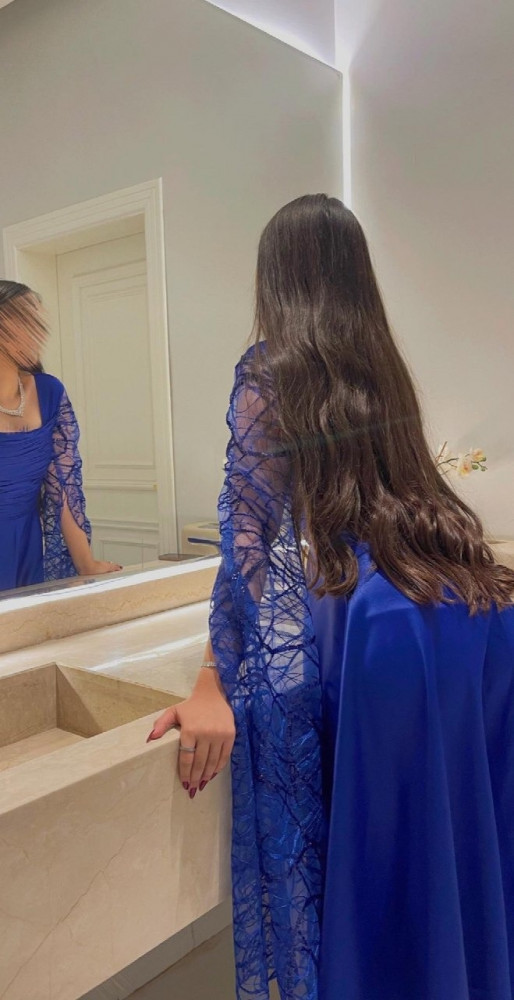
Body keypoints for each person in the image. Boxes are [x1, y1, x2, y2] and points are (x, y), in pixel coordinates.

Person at [147, 196, 514, 1000]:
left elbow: (247, 547)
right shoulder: (381, 365)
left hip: (380, 637)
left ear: (274, 277)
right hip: (464, 621)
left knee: (388, 876)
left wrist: (212, 679)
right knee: (454, 847)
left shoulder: (268, 371)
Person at [0, 280, 122, 590]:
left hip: (25, 551)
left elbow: (63, 488)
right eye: (29, 320)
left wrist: (86, 564)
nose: (40, 333)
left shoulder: (49, 392)